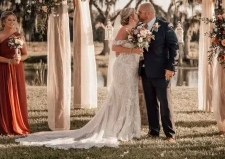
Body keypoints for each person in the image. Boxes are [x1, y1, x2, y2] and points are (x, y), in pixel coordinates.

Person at [15, 8, 143, 149]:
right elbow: (114, 48)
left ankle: (129, 126)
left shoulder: (136, 30)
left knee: (129, 95)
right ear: (131, 15)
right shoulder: (125, 29)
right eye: (136, 13)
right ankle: (120, 127)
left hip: (131, 67)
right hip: (123, 68)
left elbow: (121, 51)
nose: (138, 15)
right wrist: (132, 51)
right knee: (122, 96)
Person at [137, 3, 178, 143]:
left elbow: (174, 48)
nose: (138, 15)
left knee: (165, 104)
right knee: (150, 103)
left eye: (140, 12)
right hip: (145, 71)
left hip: (162, 72)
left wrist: (171, 67)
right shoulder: (140, 27)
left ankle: (170, 134)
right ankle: (153, 131)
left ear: (148, 13)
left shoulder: (165, 26)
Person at [0, 11, 30, 135]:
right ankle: (5, 126)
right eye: (9, 20)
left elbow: (26, 54)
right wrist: (8, 60)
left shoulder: (19, 36)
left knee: (17, 93)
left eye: (14, 20)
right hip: (4, 69)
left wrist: (20, 59)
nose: (12, 22)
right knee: (5, 94)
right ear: (4, 22)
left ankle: (19, 124)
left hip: (17, 69)